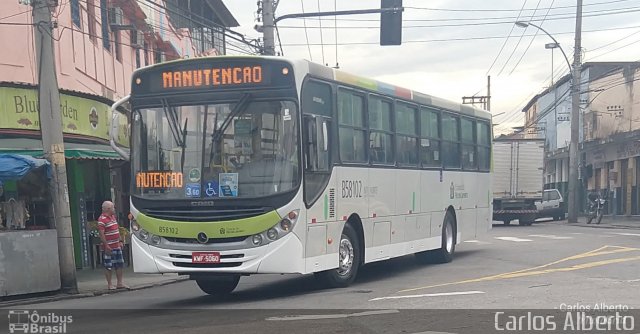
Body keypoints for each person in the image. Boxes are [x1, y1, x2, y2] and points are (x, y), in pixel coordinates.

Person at [98, 201, 128, 290]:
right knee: (109, 265)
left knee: (119, 264)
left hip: (116, 245)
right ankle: (110, 284)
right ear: (108, 209)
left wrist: (120, 241)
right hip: (109, 246)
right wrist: (106, 245)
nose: (114, 209)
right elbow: (101, 234)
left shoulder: (113, 217)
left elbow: (116, 230)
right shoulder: (102, 220)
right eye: (113, 207)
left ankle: (120, 283)